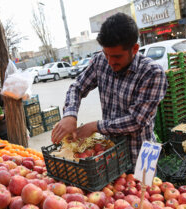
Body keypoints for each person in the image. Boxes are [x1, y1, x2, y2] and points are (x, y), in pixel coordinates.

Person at [51, 13, 168, 165]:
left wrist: (95, 126)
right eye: (107, 54)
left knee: (148, 189)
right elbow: (77, 87)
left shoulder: (152, 73)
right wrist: (70, 115)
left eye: (117, 57)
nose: (110, 62)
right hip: (110, 152)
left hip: (142, 155)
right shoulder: (100, 61)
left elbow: (136, 121)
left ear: (135, 49)